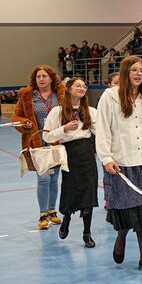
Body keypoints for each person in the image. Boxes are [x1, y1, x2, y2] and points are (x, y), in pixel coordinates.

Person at [96, 56, 142, 270]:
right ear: (126, 72)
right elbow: (102, 130)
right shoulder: (110, 97)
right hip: (122, 164)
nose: (139, 74)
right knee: (126, 212)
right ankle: (121, 237)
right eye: (134, 70)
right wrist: (107, 158)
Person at [42, 76, 97, 246]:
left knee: (89, 192)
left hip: (87, 153)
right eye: (78, 85)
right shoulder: (57, 111)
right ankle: (66, 218)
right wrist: (64, 129)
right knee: (71, 191)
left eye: (84, 86)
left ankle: (87, 233)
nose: (82, 88)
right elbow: (47, 135)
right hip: (69, 154)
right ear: (68, 89)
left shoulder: (91, 111)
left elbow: (101, 133)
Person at [13, 65, 66, 230]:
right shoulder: (27, 95)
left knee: (54, 180)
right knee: (43, 179)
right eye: (38, 77)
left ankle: (52, 211)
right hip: (37, 143)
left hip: (56, 142)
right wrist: (24, 124)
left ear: (51, 78)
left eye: (44, 76)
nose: (41, 79)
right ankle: (43, 214)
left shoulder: (61, 94)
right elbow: (16, 116)